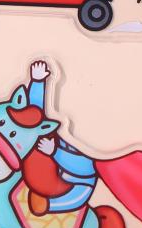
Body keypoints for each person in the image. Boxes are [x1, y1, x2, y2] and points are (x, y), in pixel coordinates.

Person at [19, 61, 98, 217]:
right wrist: (38, 81)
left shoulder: (91, 140)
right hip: (51, 163)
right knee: (36, 133)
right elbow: (35, 115)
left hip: (78, 183)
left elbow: (88, 168)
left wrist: (55, 152)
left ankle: (49, 205)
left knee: (77, 198)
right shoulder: (55, 129)